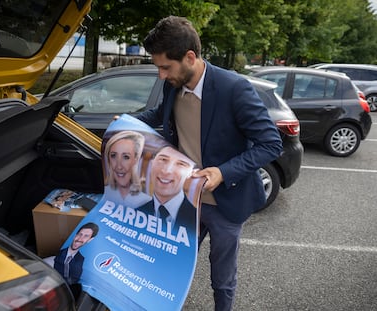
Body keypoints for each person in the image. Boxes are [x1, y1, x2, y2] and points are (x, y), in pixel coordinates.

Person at [137, 16, 283, 311]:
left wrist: (222, 171)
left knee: (222, 276)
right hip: (184, 199)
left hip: (225, 202)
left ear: (190, 57)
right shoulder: (172, 85)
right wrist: (127, 123)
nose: (161, 76)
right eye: (158, 67)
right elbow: (159, 114)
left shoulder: (234, 89)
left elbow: (271, 143)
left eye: (165, 67)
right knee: (171, 264)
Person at [137, 145, 197, 233]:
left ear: (191, 172)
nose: (167, 171)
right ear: (152, 163)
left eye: (181, 164)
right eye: (163, 160)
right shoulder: (136, 212)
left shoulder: (196, 218)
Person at [103, 130, 151, 208]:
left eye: (126, 157)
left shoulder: (147, 201)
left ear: (136, 159)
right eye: (113, 156)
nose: (119, 166)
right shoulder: (101, 196)